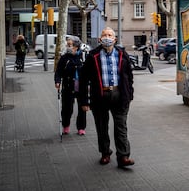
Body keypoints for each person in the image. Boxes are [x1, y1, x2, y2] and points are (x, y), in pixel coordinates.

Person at [79, 27, 135, 168]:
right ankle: (105, 153)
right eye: (104, 35)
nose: (107, 37)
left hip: (119, 96)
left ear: (115, 39)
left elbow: (129, 76)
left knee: (121, 127)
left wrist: (130, 95)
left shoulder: (122, 54)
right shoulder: (93, 56)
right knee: (102, 127)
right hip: (100, 96)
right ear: (99, 39)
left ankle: (123, 156)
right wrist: (84, 101)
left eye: (110, 35)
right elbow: (83, 80)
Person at [54, 36, 86, 135]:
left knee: (82, 108)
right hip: (68, 86)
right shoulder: (65, 57)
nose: (68, 47)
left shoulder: (83, 57)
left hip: (81, 86)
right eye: (67, 45)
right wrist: (57, 81)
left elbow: (89, 71)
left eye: (70, 45)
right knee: (67, 108)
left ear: (76, 46)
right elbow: (58, 71)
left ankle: (81, 128)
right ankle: (66, 125)